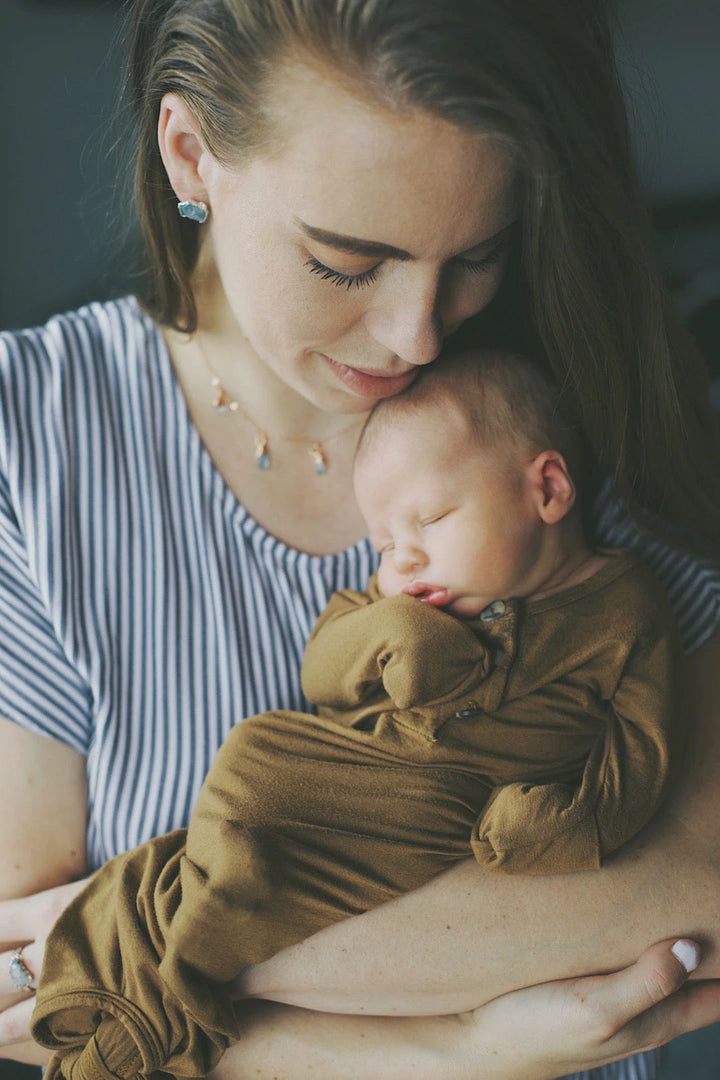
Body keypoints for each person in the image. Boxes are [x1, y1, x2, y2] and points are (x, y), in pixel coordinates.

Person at [1, 2, 720, 1079]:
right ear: (191, 152)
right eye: (347, 262)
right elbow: (23, 974)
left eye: (479, 252)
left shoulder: (565, 414)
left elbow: (694, 885)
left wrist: (156, 935)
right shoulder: (32, 438)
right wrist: (457, 1044)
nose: (418, 334)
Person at [29, 350, 685, 1080]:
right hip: (365, 770)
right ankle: (144, 982)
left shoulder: (627, 609)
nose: (402, 560)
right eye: (383, 543)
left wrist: (568, 825)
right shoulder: (398, 603)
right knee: (238, 789)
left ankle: (146, 1015)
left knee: (234, 869)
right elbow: (325, 673)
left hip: (453, 808)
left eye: (430, 519)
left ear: (550, 488)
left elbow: (640, 751)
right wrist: (393, 634)